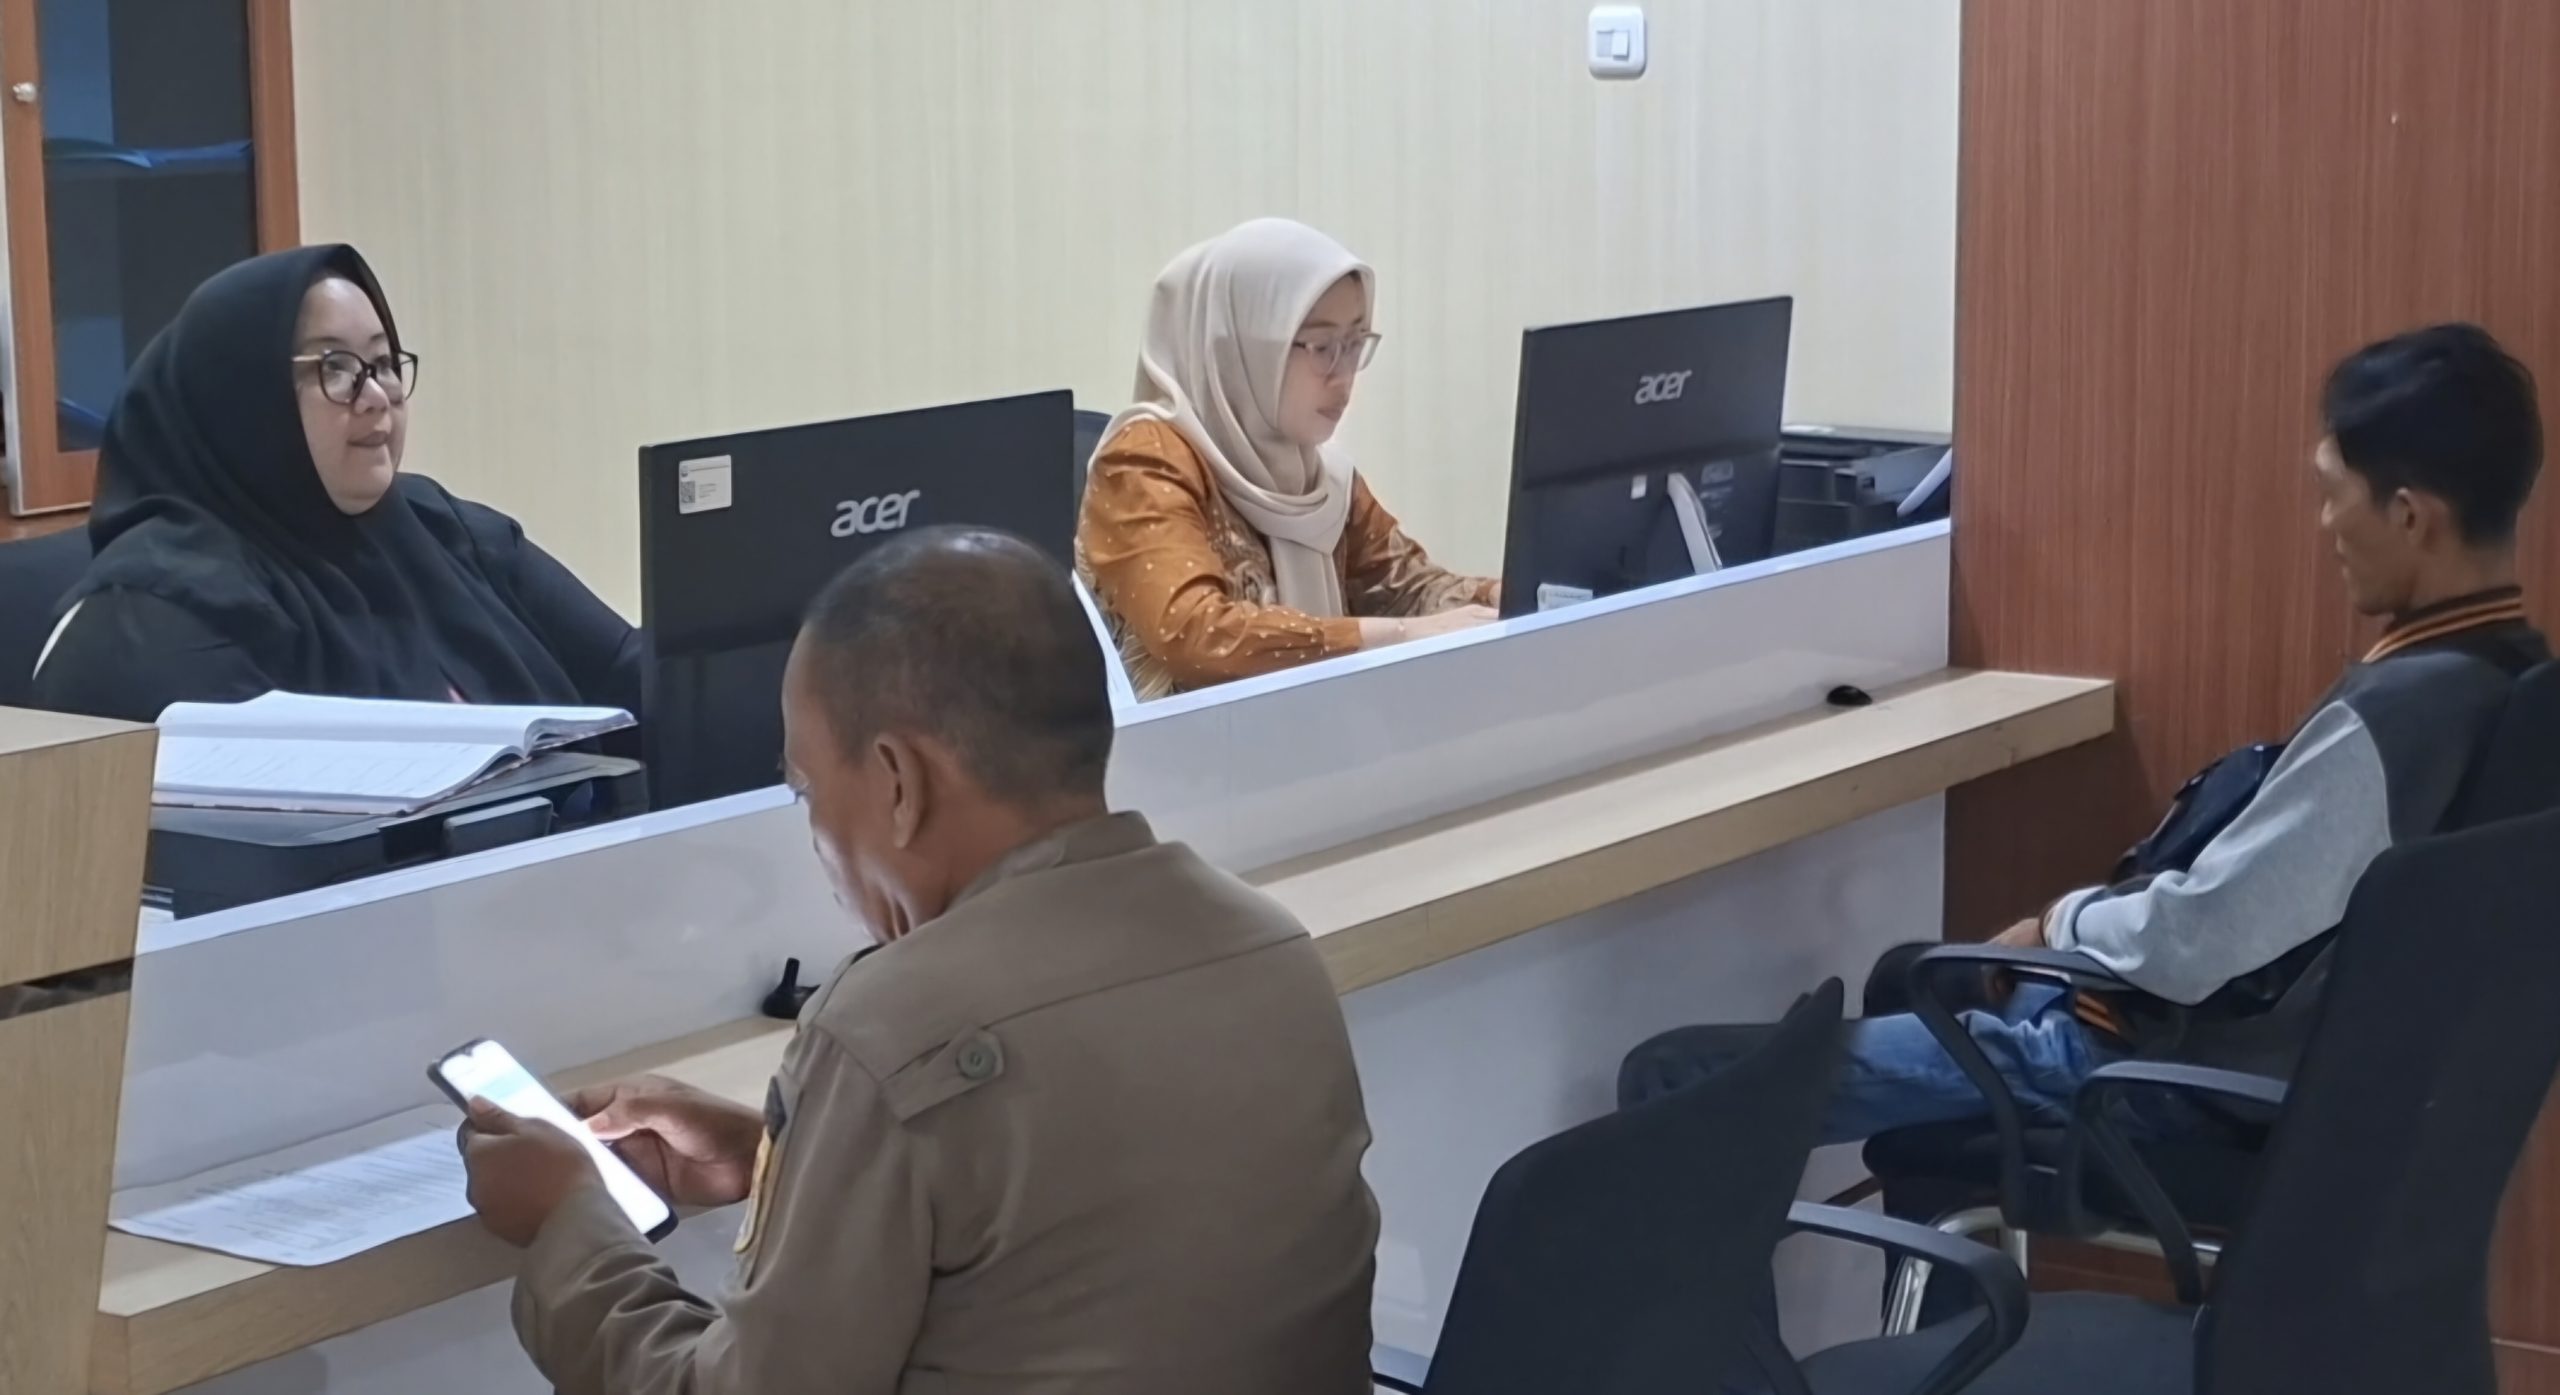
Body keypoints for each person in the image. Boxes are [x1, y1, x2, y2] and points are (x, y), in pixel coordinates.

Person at [457, 527, 1381, 1395]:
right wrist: (786, 1154)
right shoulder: (1269, 947)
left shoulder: (889, 1032)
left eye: (808, 790)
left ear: (899, 782)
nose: (817, 841)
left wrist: (570, 1218)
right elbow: (1071, 1211)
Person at [1622, 322, 2548, 1143]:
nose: (2326, 521)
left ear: (2409, 514)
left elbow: (2208, 934)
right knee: (1916, 976)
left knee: (1676, 1074)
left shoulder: (2396, 718)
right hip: (2294, 1081)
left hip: (2143, 1074)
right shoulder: (2513, 682)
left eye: (2334, 491)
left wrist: (2057, 922)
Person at [31, 245, 641, 723]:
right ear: (242, 401)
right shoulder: (151, 619)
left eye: (383, 363)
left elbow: (636, 673)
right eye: (335, 368)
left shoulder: (445, 530)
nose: (376, 396)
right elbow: (251, 829)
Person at [1078, 218, 1498, 699]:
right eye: (1322, 347)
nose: (1343, 376)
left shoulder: (1322, 479)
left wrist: (1509, 595)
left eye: (1355, 344)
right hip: (1189, 745)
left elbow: (1405, 590)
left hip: (1303, 736)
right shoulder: (1144, 461)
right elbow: (1195, 633)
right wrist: (1390, 636)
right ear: (1236, 347)